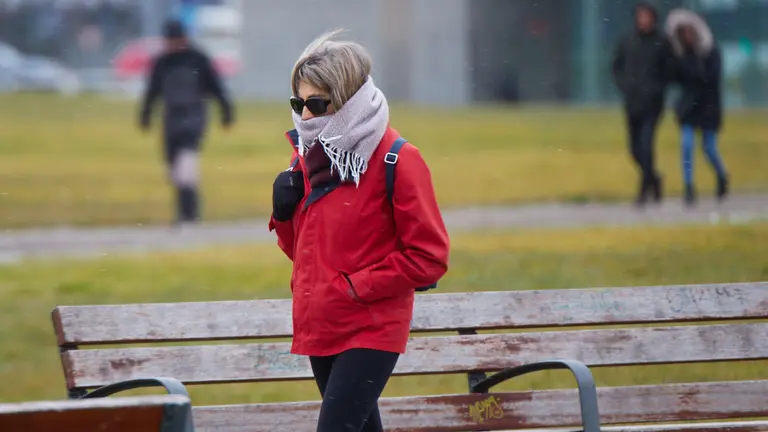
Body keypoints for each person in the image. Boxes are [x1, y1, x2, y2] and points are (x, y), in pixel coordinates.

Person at [268, 30, 450, 432]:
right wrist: (283, 215)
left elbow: (430, 258)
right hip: (322, 324)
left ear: (347, 97)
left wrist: (355, 287)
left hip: (371, 328)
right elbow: (307, 253)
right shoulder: (310, 157)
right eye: (299, 103)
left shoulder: (398, 159)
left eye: (317, 104)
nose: (306, 117)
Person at [139, 18, 234, 225]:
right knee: (173, 168)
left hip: (194, 116)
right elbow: (152, 91)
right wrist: (145, 115)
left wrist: (226, 111)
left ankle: (188, 214)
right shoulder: (162, 62)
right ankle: (186, 212)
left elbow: (216, 87)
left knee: (187, 166)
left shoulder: (198, 59)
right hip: (171, 118)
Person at [612, 1, 676, 207]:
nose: (643, 20)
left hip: (653, 104)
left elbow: (671, 69)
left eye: (647, 16)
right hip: (632, 102)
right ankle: (654, 179)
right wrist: (625, 86)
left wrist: (658, 88)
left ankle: (643, 192)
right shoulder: (627, 40)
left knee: (647, 145)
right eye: (640, 15)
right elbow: (616, 66)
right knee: (634, 149)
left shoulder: (662, 42)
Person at [666, 9, 729, 206]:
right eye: (683, 32)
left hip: (708, 106)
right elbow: (675, 78)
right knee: (686, 146)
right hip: (689, 108)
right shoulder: (680, 56)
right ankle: (688, 186)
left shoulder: (711, 53)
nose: (687, 36)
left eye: (690, 31)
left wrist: (697, 68)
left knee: (709, 148)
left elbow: (711, 78)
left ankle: (721, 174)